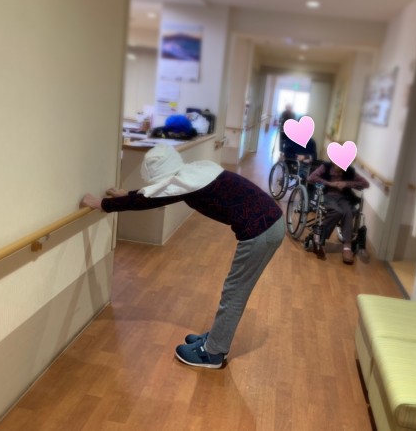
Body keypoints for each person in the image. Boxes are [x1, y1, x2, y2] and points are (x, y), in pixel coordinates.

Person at [81, 144, 285, 369]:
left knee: (234, 293)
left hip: (262, 232)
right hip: (268, 223)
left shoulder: (185, 185)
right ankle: (216, 339)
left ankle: (213, 353)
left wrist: (101, 204)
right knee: (234, 291)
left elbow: (150, 200)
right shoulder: (194, 173)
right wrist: (126, 195)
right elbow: (156, 195)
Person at [307, 161, 369, 264]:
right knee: (337, 211)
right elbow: (311, 178)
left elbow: (365, 183)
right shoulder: (326, 167)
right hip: (326, 196)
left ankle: (347, 247)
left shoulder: (349, 171)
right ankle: (319, 237)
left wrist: (346, 184)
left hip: (343, 197)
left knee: (348, 211)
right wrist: (330, 183)